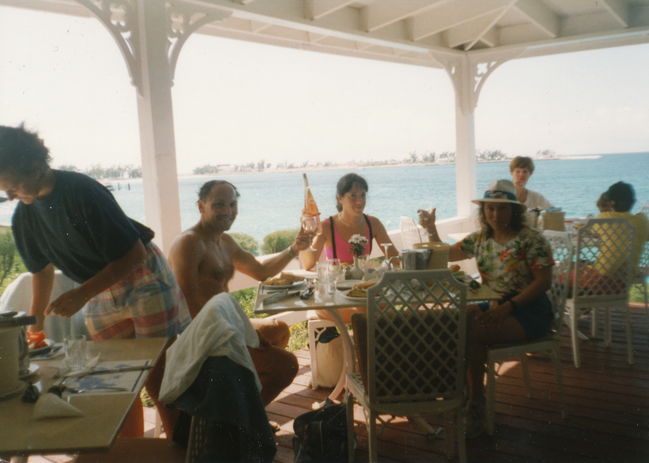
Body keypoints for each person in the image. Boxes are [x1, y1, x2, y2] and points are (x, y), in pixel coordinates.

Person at [0, 124, 191, 436]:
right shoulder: (25, 215)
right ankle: (133, 452)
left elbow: (134, 255)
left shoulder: (81, 190)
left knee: (159, 374)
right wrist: (35, 327)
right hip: (100, 287)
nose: (11, 197)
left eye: (13, 187)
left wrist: (80, 295)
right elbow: (42, 272)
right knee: (111, 377)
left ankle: (178, 449)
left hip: (143, 276)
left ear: (34, 168)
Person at [419, 179, 554, 437]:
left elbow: (543, 282)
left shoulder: (531, 240)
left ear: (514, 211)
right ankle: (463, 396)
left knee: (472, 333)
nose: (495, 214)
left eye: (501, 209)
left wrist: (509, 307)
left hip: (530, 311)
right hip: (495, 305)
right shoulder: (482, 238)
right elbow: (446, 254)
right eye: (490, 209)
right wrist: (431, 229)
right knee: (447, 322)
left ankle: (474, 404)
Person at [168, 179, 310, 406]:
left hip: (225, 325)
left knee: (278, 330)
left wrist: (294, 249)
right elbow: (188, 307)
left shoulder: (225, 242)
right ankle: (241, 424)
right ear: (200, 206)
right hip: (204, 337)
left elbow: (261, 271)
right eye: (219, 204)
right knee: (286, 365)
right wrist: (239, 337)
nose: (228, 211)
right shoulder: (188, 243)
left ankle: (242, 408)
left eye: (232, 204)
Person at [298, 173, 399, 322]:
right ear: (340, 198)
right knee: (370, 314)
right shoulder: (327, 226)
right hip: (336, 294)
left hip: (363, 293)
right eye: (353, 196)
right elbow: (308, 264)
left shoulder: (373, 223)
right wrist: (305, 234)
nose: (360, 201)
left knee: (383, 309)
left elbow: (394, 259)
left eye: (363, 195)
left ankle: (361, 341)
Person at [594, 181, 649, 274]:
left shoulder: (603, 219)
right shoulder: (642, 221)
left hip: (600, 277)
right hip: (628, 277)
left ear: (611, 203)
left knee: (565, 274)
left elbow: (591, 232)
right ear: (633, 202)